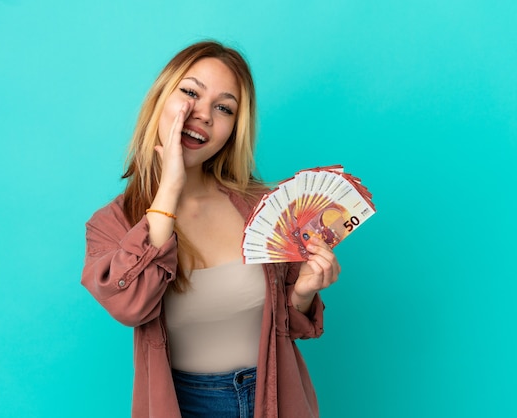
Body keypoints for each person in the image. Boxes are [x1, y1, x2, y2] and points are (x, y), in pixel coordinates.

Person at [81, 40, 340, 418]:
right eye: (190, 93)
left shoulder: (260, 207)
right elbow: (130, 305)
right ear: (160, 100)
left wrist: (301, 292)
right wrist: (169, 187)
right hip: (186, 405)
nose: (202, 114)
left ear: (233, 129)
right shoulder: (111, 225)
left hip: (275, 397)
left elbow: (287, 325)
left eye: (223, 108)